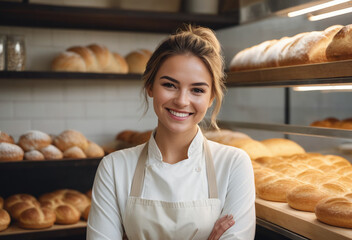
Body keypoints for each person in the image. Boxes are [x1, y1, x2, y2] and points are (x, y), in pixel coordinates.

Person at [87, 25, 256, 240]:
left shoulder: (233, 165)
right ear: (150, 86)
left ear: (211, 97)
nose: (182, 101)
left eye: (197, 90)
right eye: (170, 85)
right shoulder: (114, 168)